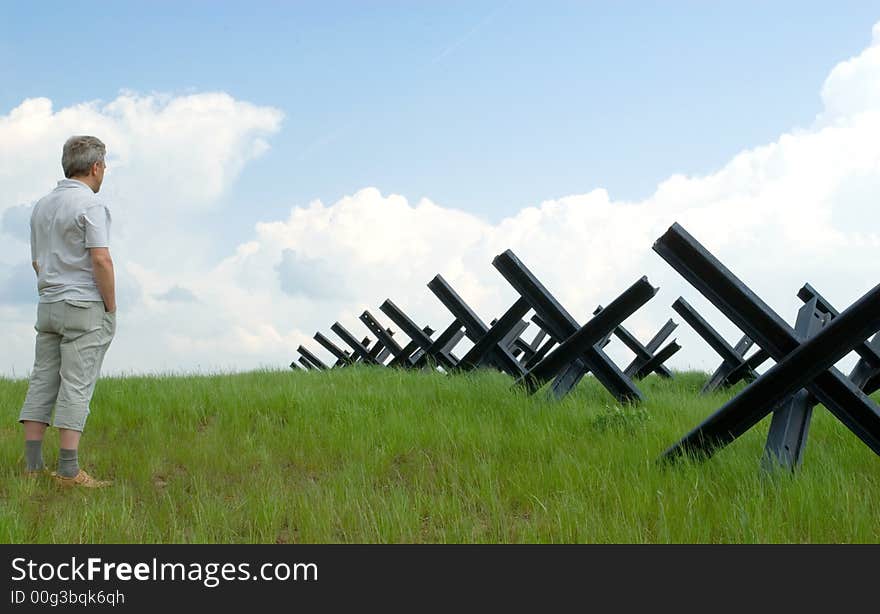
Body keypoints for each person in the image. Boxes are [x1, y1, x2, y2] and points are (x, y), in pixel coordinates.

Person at [18, 135, 116, 488]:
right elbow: (101, 259)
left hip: (48, 304)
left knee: (43, 379)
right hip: (83, 305)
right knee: (77, 384)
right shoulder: (91, 206)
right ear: (95, 167)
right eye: (104, 166)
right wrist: (111, 307)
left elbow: (35, 261)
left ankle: (32, 466)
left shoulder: (42, 206)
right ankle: (69, 471)